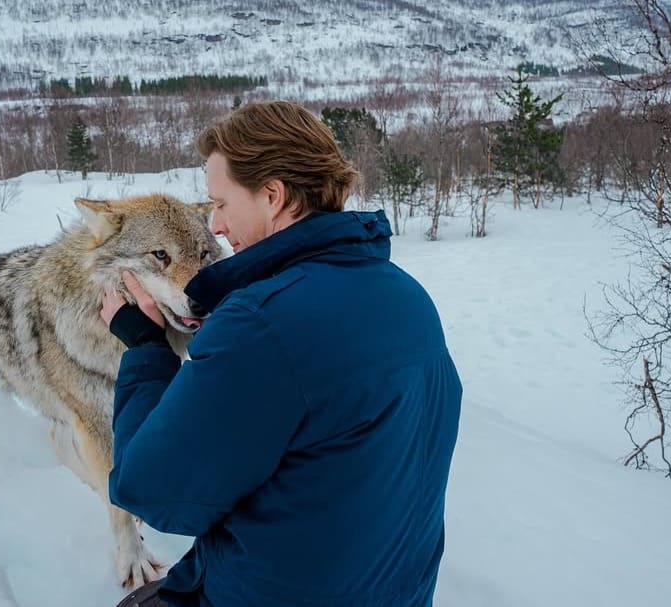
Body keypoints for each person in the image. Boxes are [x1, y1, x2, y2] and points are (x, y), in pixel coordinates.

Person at [100, 101, 462, 607]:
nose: (217, 228)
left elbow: (150, 490)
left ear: (272, 196)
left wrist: (146, 348)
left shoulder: (262, 326)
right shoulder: (404, 293)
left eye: (222, 204)